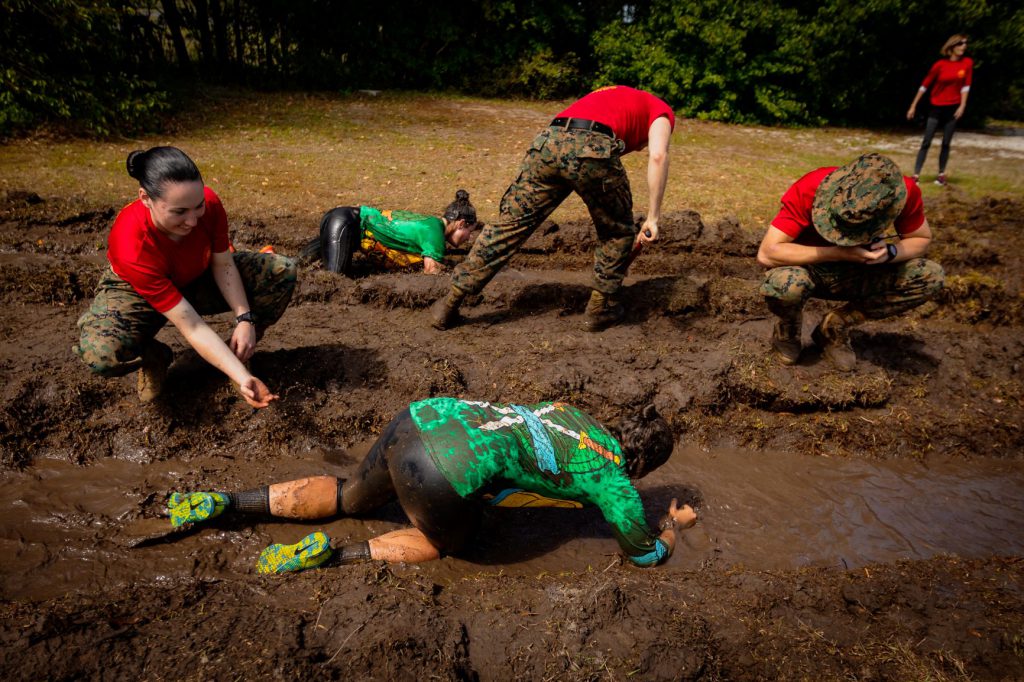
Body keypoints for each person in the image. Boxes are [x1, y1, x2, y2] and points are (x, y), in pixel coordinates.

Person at [167, 398, 698, 574]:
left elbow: (528, 448)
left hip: (423, 416)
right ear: (644, 464)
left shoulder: (571, 410)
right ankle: (332, 557)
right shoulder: (616, 483)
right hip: (447, 470)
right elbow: (643, 555)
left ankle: (228, 502)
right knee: (449, 542)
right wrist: (672, 527)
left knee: (351, 492)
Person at [430, 85, 675, 332]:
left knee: (509, 226)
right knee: (617, 232)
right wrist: (653, 217)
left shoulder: (610, 95)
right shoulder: (661, 111)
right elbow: (658, 156)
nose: (640, 148)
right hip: (592, 145)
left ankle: (450, 303)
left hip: (547, 143)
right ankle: (600, 310)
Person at [74, 146, 297, 407]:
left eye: (198, 206)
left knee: (281, 271)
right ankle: (155, 357)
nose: (192, 221)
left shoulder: (210, 204)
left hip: (195, 275)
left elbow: (224, 265)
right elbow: (191, 325)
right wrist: (243, 378)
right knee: (101, 355)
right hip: (135, 291)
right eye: (179, 212)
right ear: (146, 198)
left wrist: (245, 318)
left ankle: (237, 352)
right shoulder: (131, 243)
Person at [756, 152, 945, 371]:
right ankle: (787, 328)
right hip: (808, 268)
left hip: (860, 272)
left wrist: (890, 252)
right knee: (786, 284)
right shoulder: (811, 187)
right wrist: (839, 252)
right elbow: (767, 253)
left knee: (930, 276)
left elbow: (921, 239)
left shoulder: (901, 193)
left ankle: (835, 327)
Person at [303, 190, 478, 275]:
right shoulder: (435, 234)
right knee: (334, 280)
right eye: (469, 231)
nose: (469, 238)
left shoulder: (429, 223)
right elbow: (432, 271)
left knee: (299, 263)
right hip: (347, 224)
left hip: (342, 219)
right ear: (461, 223)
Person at [906, 34, 973, 186]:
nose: (964, 46)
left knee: (946, 142)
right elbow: (925, 85)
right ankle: (916, 175)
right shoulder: (939, 65)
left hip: (953, 109)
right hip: (936, 107)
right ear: (952, 47)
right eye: (960, 43)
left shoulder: (967, 64)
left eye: (965, 43)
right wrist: (913, 105)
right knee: (926, 141)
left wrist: (962, 106)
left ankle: (941, 175)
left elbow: (966, 87)